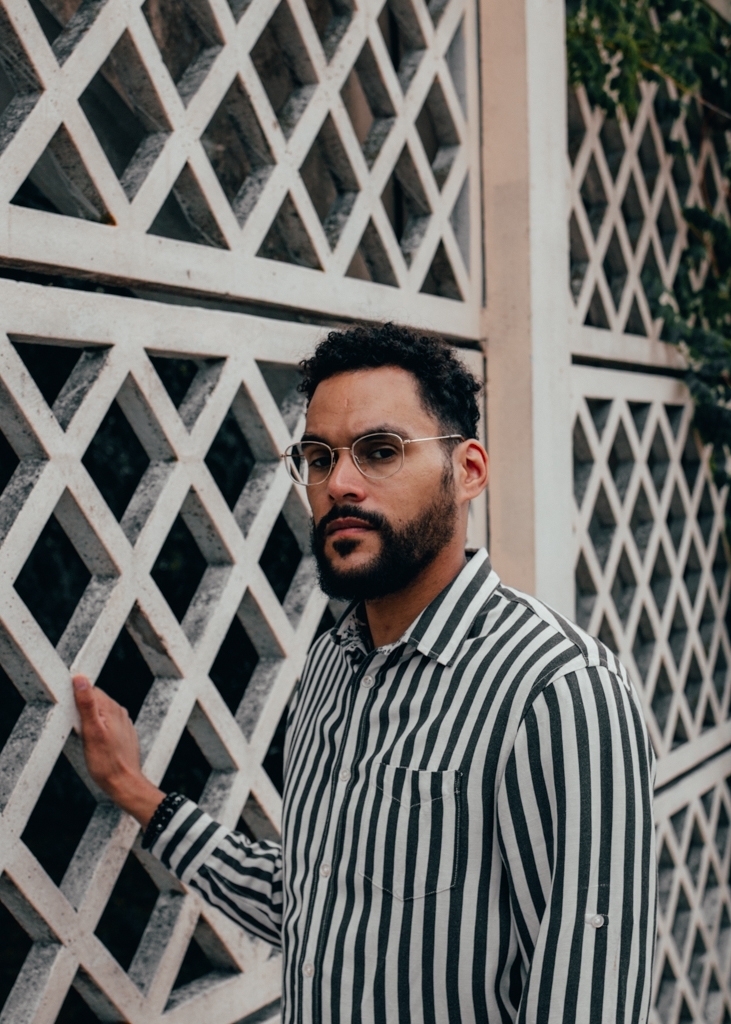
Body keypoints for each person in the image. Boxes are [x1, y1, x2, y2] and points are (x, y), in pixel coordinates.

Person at [73, 323, 656, 1023]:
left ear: (468, 470)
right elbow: (312, 900)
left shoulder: (558, 690)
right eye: (318, 458)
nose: (338, 485)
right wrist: (136, 792)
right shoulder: (330, 666)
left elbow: (589, 999)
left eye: (380, 451)